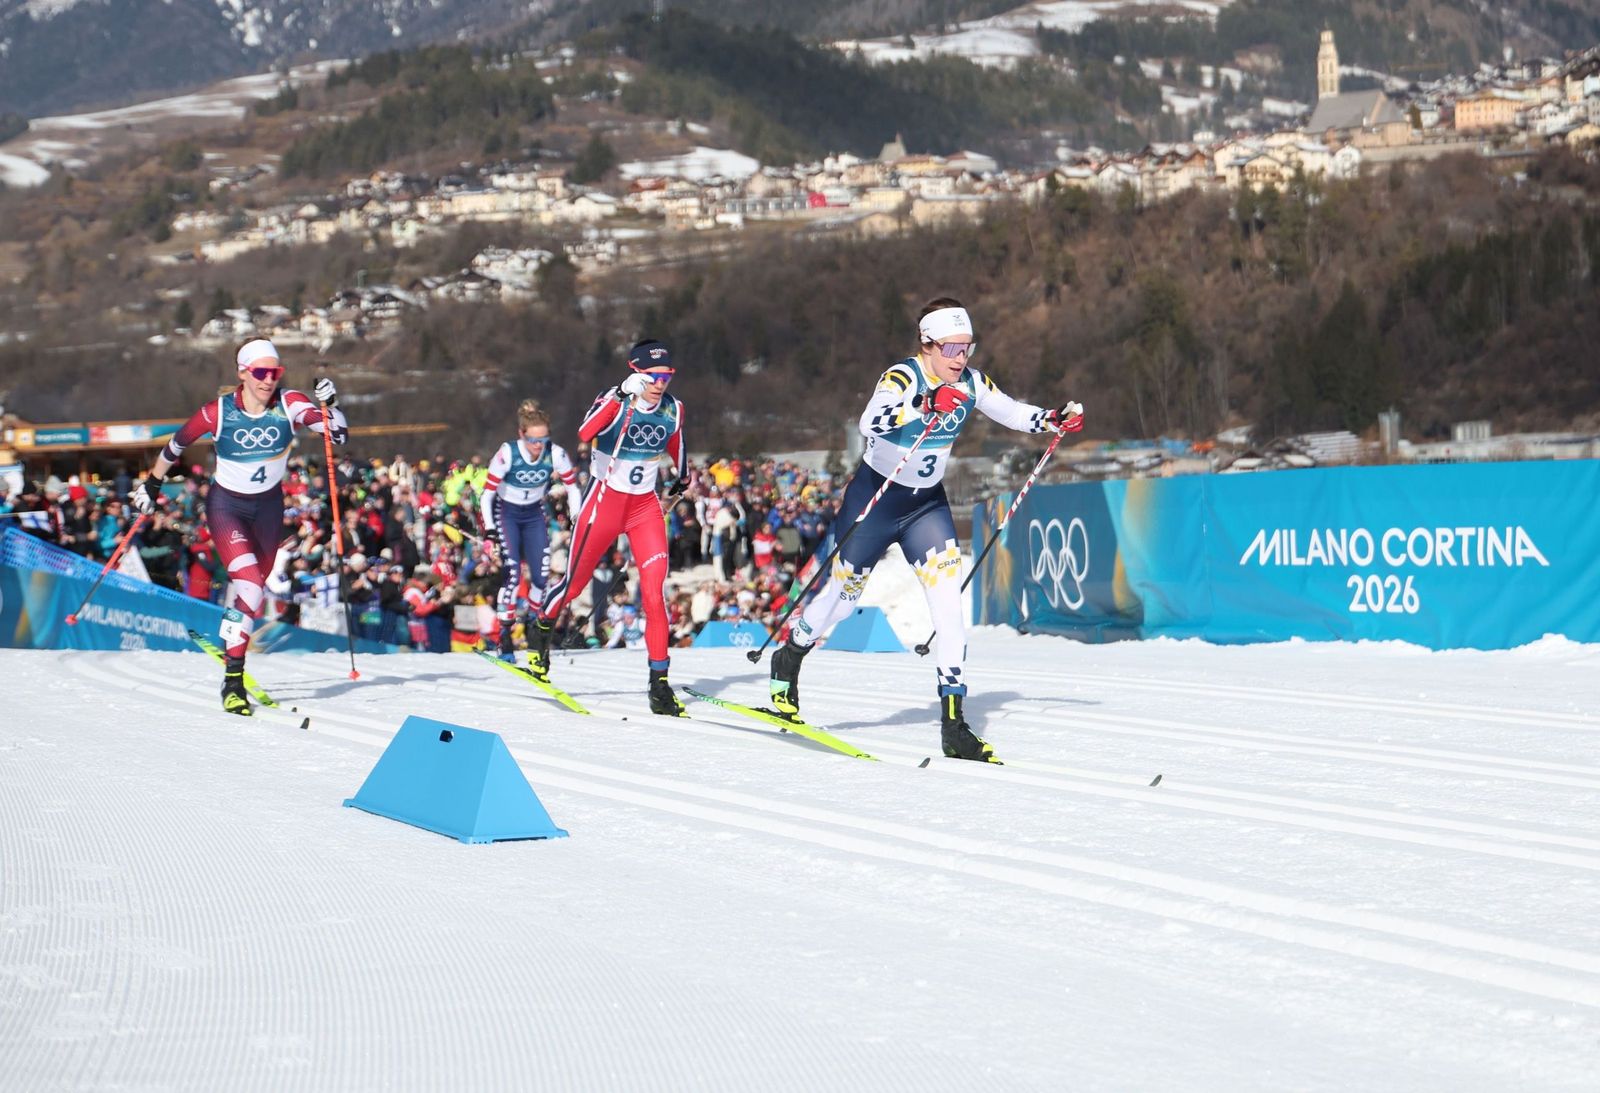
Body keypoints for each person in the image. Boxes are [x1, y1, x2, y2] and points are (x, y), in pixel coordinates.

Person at [767, 298, 1083, 762]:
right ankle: (790, 655)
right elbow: (870, 421)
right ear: (927, 344)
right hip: (876, 499)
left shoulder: (971, 381)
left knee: (948, 605)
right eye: (951, 348)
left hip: (926, 507)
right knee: (842, 597)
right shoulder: (902, 378)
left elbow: (1013, 413)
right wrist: (925, 404)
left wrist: (1051, 419)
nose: (960, 358)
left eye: (967, 347)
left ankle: (954, 724)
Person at [133, 339, 347, 715]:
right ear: (243, 373)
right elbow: (176, 445)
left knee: (250, 592)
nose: (268, 381)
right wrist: (152, 484)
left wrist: (332, 407)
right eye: (261, 373)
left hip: (267, 508)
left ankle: (234, 623)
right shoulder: (217, 412)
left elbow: (337, 435)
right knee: (249, 585)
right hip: (227, 506)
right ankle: (233, 681)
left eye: (275, 373)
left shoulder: (289, 402)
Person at [528, 339, 687, 715]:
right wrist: (618, 395)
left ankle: (659, 684)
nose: (659, 383)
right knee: (574, 585)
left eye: (665, 375)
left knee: (654, 594)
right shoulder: (616, 400)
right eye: (652, 375)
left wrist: (679, 484)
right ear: (636, 372)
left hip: (644, 508)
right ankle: (541, 631)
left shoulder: (673, 409)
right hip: (604, 503)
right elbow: (585, 433)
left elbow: (680, 453)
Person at [479, 399, 579, 661]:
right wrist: (489, 530)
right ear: (521, 435)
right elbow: (486, 495)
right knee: (512, 576)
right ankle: (505, 638)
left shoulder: (555, 453)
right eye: (533, 440)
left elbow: (573, 488)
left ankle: (535, 634)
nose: (539, 446)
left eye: (543, 440)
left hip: (534, 514)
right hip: (507, 513)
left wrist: (577, 516)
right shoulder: (507, 453)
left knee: (541, 578)